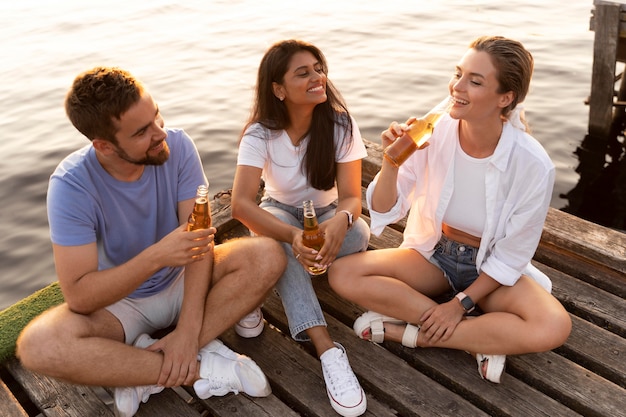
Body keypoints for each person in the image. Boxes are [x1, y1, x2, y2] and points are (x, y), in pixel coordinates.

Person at [16, 67, 287, 417]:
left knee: (266, 254)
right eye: (142, 131)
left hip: (186, 282)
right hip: (120, 306)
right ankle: (203, 366)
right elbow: (80, 296)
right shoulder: (71, 186)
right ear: (104, 146)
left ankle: (147, 365)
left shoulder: (178, 145)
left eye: (157, 115)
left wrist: (188, 331)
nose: (160, 133)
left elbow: (200, 245)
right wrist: (156, 257)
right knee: (39, 347)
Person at [328, 36, 572, 384]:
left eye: (475, 81)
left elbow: (511, 255)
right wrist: (392, 162)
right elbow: (384, 209)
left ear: (506, 98)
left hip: (490, 269)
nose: (457, 86)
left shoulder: (533, 164)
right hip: (436, 254)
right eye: (459, 74)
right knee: (343, 273)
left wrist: (458, 305)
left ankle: (413, 335)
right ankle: (481, 338)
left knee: (554, 325)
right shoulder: (433, 132)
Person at [231, 39, 370, 416]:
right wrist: (293, 236)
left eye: (318, 68)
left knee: (358, 234)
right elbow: (241, 204)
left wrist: (342, 219)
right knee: (281, 243)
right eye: (303, 73)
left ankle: (266, 278)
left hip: (325, 213)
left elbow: (352, 198)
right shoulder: (259, 134)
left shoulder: (340, 123)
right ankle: (327, 348)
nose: (317, 77)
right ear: (278, 89)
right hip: (279, 212)